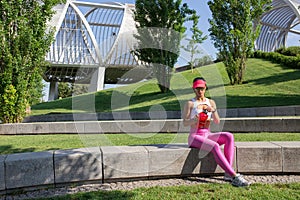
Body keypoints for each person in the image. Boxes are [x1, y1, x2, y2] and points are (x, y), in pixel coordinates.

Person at [182, 77, 250, 187]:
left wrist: (213, 110)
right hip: (195, 136)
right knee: (214, 146)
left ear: (205, 88)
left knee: (229, 136)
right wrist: (194, 119)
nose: (200, 91)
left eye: (202, 88)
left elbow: (217, 121)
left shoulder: (211, 102)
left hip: (207, 134)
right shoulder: (190, 103)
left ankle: (228, 173)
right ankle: (234, 176)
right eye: (197, 89)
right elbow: (184, 123)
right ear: (193, 89)